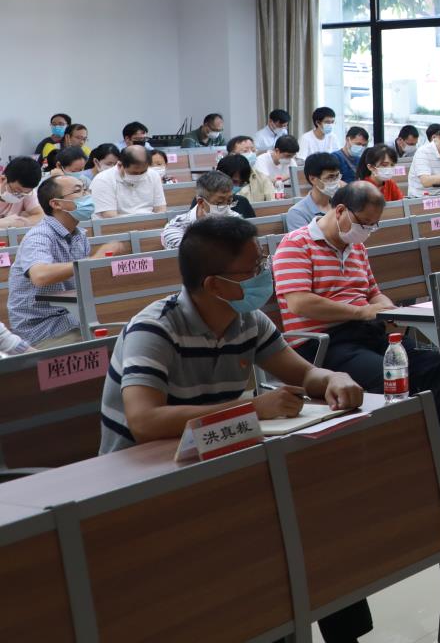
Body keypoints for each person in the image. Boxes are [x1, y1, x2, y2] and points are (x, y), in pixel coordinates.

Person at [95, 213, 374, 643]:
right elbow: (144, 421)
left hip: (211, 461)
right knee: (261, 539)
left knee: (315, 515)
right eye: (253, 269)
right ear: (215, 285)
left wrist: (333, 378)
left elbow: (303, 373)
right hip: (143, 481)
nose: (264, 276)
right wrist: (250, 409)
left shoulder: (248, 321)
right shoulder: (156, 328)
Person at [271, 181, 440, 491]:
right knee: (394, 377)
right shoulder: (296, 245)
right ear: (340, 211)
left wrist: (388, 309)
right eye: (364, 223)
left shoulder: (356, 247)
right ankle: (409, 463)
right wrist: (359, 312)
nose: (367, 231)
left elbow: (372, 292)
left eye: (373, 225)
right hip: (321, 344)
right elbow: (299, 303)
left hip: (366, 334)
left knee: (438, 366)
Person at [9, 175, 106, 345]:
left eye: (86, 190)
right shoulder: (39, 236)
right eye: (78, 191)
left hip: (71, 318)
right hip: (40, 328)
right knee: (103, 346)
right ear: (56, 204)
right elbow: (40, 276)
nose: (87, 195)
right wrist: (92, 260)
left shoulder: (79, 236)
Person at [160, 171, 239, 249]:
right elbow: (196, 253)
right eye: (219, 203)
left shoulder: (236, 219)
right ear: (201, 202)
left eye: (229, 201)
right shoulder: (176, 227)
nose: (226, 207)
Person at [90, 145, 166, 218]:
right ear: (120, 165)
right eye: (134, 173)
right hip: (118, 225)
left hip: (151, 223)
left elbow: (160, 209)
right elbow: (109, 216)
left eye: (143, 172)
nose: (139, 176)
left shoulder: (153, 175)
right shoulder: (103, 180)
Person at [286, 154, 343, 231]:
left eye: (337, 176)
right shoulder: (298, 213)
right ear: (313, 179)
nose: (336, 181)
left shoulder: (341, 204)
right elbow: (302, 239)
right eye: (330, 177)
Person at [0, 156, 44, 226]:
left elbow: (40, 215)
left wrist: (22, 222)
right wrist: (5, 223)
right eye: (16, 191)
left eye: (25, 193)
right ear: (2, 179)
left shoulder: (27, 192)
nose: (19, 196)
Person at [252, 135, 299, 201]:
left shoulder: (291, 161)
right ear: (277, 151)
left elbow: (297, 181)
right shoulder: (261, 160)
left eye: (292, 156)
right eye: (287, 156)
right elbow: (265, 182)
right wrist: (291, 174)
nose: (290, 159)